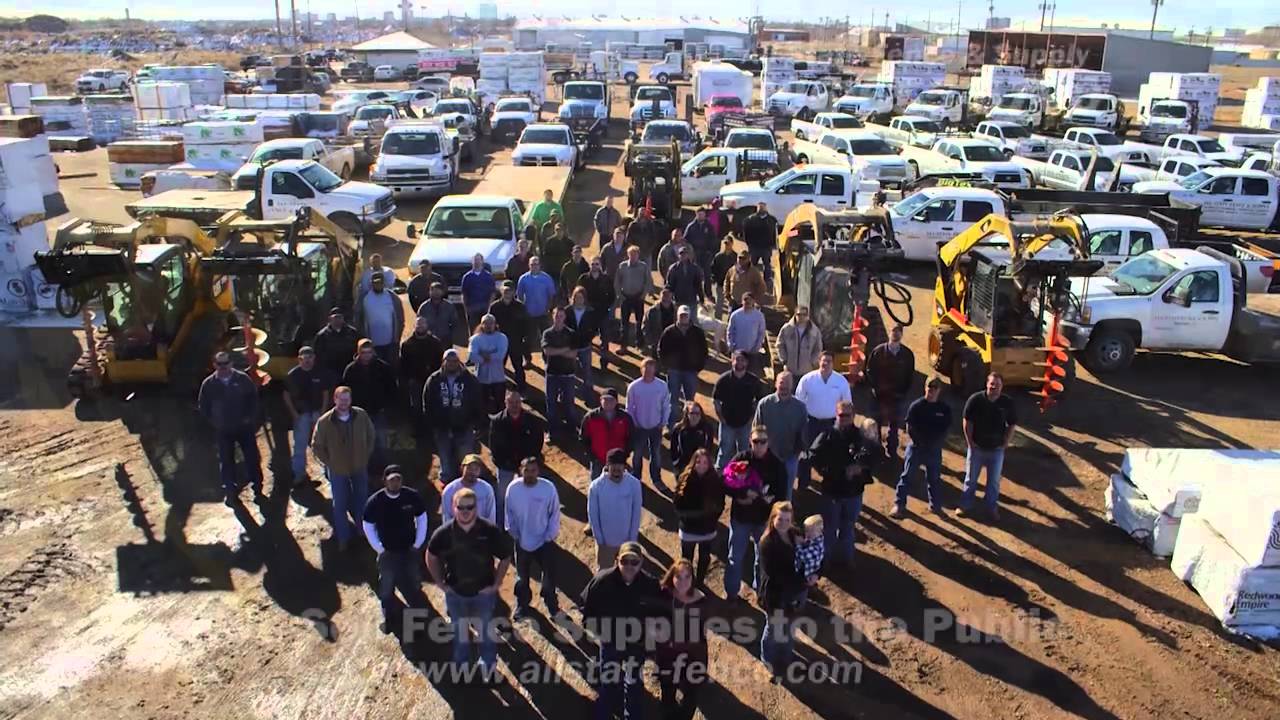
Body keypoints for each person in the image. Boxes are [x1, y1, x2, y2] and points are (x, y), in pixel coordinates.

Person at [426, 487, 513, 680]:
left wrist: (496, 584)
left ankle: (488, 667)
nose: (465, 511)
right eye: (461, 507)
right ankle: (462, 667)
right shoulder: (444, 533)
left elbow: (506, 557)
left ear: (476, 507)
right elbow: (431, 556)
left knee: (485, 633)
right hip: (455, 594)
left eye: (470, 507)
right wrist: (440, 583)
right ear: (453, 507)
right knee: (460, 634)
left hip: (483, 594)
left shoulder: (489, 530)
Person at [579, 541, 663, 720]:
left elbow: (659, 615)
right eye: (625, 561)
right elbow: (587, 610)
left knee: (633, 684)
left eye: (635, 562)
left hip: (636, 646)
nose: (629, 566)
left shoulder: (651, 585)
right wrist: (601, 633)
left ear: (641, 563)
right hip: (610, 643)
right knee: (608, 683)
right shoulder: (602, 581)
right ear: (617, 560)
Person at [810, 400, 877, 567]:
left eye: (848, 415)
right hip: (832, 491)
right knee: (829, 529)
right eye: (841, 415)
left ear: (853, 416)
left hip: (854, 492)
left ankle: (846, 561)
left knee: (848, 528)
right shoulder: (828, 434)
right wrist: (827, 472)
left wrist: (860, 468)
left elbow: (875, 458)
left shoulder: (861, 435)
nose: (844, 418)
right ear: (836, 415)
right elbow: (813, 455)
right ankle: (825, 562)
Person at [724, 425, 786, 603]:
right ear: (750, 441)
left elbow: (781, 495)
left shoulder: (777, 465)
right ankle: (731, 594)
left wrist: (768, 500)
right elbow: (725, 481)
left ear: (768, 442)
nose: (759, 445)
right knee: (735, 557)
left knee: (762, 558)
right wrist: (742, 494)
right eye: (756, 441)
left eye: (763, 441)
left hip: (763, 520)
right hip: (741, 518)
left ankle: (760, 591)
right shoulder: (741, 459)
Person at [362, 465, 428, 633]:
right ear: (384, 481)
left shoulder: (411, 496)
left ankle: (418, 618)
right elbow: (368, 525)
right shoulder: (375, 501)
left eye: (398, 479)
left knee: (414, 581)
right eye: (391, 480)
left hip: (409, 550)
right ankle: (389, 617)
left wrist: (418, 543)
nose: (395, 483)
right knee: (386, 585)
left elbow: (422, 518)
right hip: (388, 553)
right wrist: (379, 548)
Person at [311, 386, 375, 551]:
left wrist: (365, 455)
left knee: (362, 499)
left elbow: (371, 435)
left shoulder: (361, 415)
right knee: (339, 504)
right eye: (341, 399)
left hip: (359, 466)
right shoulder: (325, 421)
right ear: (335, 399)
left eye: (347, 399)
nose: (344, 403)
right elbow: (316, 446)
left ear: (351, 400)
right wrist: (329, 462)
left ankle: (363, 531)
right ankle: (343, 538)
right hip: (338, 470)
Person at [198, 351, 264, 505]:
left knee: (252, 458)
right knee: (226, 461)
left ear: (231, 363)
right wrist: (215, 422)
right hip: (224, 430)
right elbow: (203, 406)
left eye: (225, 363)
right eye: (219, 364)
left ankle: (257, 488)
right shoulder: (208, 384)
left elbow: (254, 400)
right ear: (214, 365)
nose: (223, 366)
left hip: (244, 428)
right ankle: (230, 491)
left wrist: (249, 418)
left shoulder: (243, 379)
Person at [505, 456, 561, 620]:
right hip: (522, 540)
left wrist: (549, 535)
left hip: (544, 541)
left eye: (533, 470)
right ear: (521, 470)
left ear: (538, 471)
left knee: (549, 575)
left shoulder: (548, 488)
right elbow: (509, 513)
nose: (529, 474)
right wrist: (514, 533)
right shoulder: (513, 488)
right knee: (522, 577)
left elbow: (554, 513)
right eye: (526, 470)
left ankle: (551, 603)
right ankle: (522, 605)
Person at [958, 373, 1017, 521]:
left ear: (1002, 387)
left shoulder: (1007, 403)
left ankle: (991, 509)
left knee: (993, 483)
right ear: (987, 384)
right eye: (992, 383)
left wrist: (1006, 442)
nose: (994, 387)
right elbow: (967, 421)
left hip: (996, 451)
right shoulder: (975, 400)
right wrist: (970, 442)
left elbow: (1012, 424)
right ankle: (965, 505)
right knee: (970, 480)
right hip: (977, 448)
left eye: (997, 384)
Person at [656, 559, 710, 720]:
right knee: (667, 690)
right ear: (672, 577)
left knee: (691, 694)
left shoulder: (700, 600)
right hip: (668, 653)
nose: (683, 581)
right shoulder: (664, 595)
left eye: (687, 577)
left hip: (693, 654)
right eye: (678, 577)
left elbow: (703, 631)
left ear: (693, 578)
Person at [758, 501, 805, 682]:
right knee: (773, 629)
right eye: (780, 519)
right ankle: (768, 660)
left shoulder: (795, 535)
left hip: (795, 591)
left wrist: (815, 573)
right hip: (775, 595)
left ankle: (786, 657)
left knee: (790, 626)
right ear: (773, 519)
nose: (784, 523)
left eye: (787, 519)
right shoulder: (767, 543)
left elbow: (812, 553)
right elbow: (775, 575)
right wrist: (801, 581)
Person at [893, 376, 952, 518]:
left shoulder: (944, 409)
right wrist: (918, 442)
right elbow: (909, 426)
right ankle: (899, 505)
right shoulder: (917, 406)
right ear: (925, 388)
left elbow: (945, 429)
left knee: (934, 479)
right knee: (907, 477)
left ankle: (935, 506)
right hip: (916, 448)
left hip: (934, 449)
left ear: (939, 390)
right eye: (929, 387)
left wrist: (937, 442)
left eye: (935, 388)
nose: (932, 390)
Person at [796, 352, 852, 493]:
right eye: (823, 360)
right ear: (819, 362)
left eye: (829, 361)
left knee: (831, 454)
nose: (825, 364)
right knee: (806, 453)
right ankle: (804, 483)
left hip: (832, 424)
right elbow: (799, 401)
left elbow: (847, 403)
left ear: (833, 363)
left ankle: (829, 483)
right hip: (811, 422)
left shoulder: (841, 382)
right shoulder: (807, 379)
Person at [424, 349, 483, 482]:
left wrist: (476, 423)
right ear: (443, 362)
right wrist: (432, 424)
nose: (452, 364)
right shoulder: (434, 379)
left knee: (465, 460)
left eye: (455, 361)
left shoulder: (469, 379)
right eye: (449, 361)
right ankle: (446, 484)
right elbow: (427, 403)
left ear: (459, 361)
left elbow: (477, 402)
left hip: (464, 426)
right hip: (442, 427)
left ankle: (468, 483)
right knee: (445, 459)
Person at [489, 390, 545, 522]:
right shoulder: (497, 421)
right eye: (511, 402)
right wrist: (503, 462)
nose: (514, 405)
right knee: (502, 497)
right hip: (505, 465)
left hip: (526, 466)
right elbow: (494, 446)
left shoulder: (532, 420)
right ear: (505, 403)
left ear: (521, 403)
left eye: (517, 402)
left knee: (528, 496)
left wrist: (530, 461)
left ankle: (527, 522)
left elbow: (538, 442)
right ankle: (500, 524)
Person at [342, 340, 397, 473]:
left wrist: (387, 407)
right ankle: (365, 469)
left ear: (373, 352)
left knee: (381, 441)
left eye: (369, 352)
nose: (366, 355)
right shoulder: (351, 370)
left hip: (379, 411)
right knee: (361, 442)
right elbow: (345, 391)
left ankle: (383, 470)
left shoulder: (383, 368)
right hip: (358, 413)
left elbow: (392, 389)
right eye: (363, 352)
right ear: (358, 353)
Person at [753, 372, 809, 501]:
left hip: (790, 456)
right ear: (775, 384)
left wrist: (798, 451)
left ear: (792, 385)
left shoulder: (800, 408)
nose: (784, 387)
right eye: (781, 383)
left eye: (787, 383)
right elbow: (756, 429)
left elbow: (803, 434)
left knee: (786, 490)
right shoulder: (764, 404)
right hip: (767, 456)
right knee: (764, 489)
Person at [673, 449, 724, 584]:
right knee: (686, 559)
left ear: (710, 464)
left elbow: (720, 505)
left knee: (705, 558)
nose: (701, 465)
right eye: (698, 462)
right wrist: (691, 517)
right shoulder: (684, 479)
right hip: (688, 529)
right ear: (693, 463)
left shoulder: (715, 481)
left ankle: (700, 582)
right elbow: (677, 505)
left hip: (707, 529)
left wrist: (711, 519)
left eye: (705, 462)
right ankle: (687, 583)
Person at [866, 324, 916, 459]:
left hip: (897, 397)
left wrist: (903, 392)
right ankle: (877, 450)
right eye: (893, 331)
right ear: (889, 333)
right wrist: (876, 388)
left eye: (898, 332)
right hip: (879, 397)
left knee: (894, 426)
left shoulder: (907, 355)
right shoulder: (878, 352)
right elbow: (870, 371)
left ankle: (892, 450)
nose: (896, 334)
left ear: (902, 335)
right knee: (876, 424)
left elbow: (910, 376)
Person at [587, 448, 643, 569]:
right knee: (605, 575)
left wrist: (632, 540)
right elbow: (593, 516)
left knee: (626, 574)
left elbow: (636, 513)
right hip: (605, 545)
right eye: (613, 468)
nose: (617, 471)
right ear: (608, 466)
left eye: (620, 468)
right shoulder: (596, 487)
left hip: (626, 545)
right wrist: (600, 541)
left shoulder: (634, 485)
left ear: (624, 467)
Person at [283, 345, 331, 485]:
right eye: (305, 358)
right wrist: (293, 413)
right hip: (301, 414)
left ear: (314, 358)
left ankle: (329, 471)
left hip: (317, 412)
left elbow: (325, 393)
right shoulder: (293, 375)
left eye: (310, 357)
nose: (308, 360)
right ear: (299, 359)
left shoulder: (320, 372)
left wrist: (323, 412)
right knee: (300, 446)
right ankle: (299, 475)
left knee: (323, 443)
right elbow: (286, 395)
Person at [657, 305, 709, 428]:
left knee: (690, 401)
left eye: (686, 315)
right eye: (681, 315)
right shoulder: (669, 331)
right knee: (673, 400)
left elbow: (704, 351)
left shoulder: (697, 332)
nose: (683, 317)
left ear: (689, 316)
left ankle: (688, 426)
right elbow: (661, 349)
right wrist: (666, 366)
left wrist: (698, 367)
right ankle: (671, 426)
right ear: (677, 316)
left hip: (691, 371)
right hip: (674, 371)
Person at [713, 350, 763, 469]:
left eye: (742, 360)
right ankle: (720, 476)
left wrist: (752, 419)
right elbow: (716, 400)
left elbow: (759, 401)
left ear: (747, 362)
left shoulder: (753, 381)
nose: (739, 362)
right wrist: (721, 417)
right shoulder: (723, 380)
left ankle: (743, 477)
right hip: (727, 423)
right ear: (732, 360)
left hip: (746, 424)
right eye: (737, 359)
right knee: (724, 452)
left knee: (744, 453)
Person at [627, 357, 670, 489]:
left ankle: (656, 479)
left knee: (656, 454)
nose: (648, 372)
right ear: (641, 370)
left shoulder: (662, 386)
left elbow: (666, 406)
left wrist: (663, 423)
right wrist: (634, 423)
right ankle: (636, 478)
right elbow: (629, 408)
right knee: (637, 454)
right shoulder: (634, 387)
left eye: (651, 370)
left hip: (656, 427)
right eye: (646, 370)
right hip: (639, 427)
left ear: (655, 370)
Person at [399, 316, 443, 439]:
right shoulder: (407, 345)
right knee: (416, 407)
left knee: (433, 405)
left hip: (433, 380)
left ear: (427, 326)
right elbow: (403, 365)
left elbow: (440, 362)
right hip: (415, 381)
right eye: (418, 324)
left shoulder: (435, 343)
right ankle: (418, 432)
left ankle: (433, 431)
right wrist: (406, 380)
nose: (420, 326)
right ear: (414, 327)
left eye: (423, 324)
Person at [580, 388, 634, 481]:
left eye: (611, 400)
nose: (608, 402)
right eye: (605, 399)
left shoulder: (625, 418)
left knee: (619, 484)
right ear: (600, 400)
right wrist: (592, 457)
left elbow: (631, 438)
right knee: (597, 485)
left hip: (618, 461)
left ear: (616, 402)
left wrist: (624, 455)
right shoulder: (590, 417)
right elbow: (583, 438)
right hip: (597, 460)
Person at [541, 305, 578, 435]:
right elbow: (547, 351)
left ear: (565, 317)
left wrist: (556, 351)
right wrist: (565, 349)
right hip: (552, 374)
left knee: (569, 404)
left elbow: (573, 354)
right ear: (553, 316)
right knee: (551, 404)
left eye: (561, 316)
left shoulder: (571, 333)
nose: (558, 318)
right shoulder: (547, 333)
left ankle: (572, 430)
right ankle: (552, 431)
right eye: (556, 315)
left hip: (568, 374)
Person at [489, 281, 531, 391]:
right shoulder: (494, 306)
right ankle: (496, 388)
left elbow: (526, 324)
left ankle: (522, 389)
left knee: (518, 366)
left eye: (510, 290)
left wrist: (525, 337)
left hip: (515, 341)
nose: (507, 292)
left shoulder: (520, 306)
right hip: (499, 342)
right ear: (501, 291)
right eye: (505, 290)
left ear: (514, 292)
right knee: (498, 366)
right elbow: (490, 323)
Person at [577, 257, 617, 370]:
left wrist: (606, 307)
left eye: (597, 264)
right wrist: (586, 306)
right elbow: (579, 294)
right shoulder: (583, 279)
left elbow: (612, 295)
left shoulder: (606, 279)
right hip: (588, 314)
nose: (594, 266)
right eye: (593, 264)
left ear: (600, 265)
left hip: (602, 313)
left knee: (605, 339)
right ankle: (586, 364)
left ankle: (604, 363)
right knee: (586, 340)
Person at [467, 314, 509, 415]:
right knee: (482, 406)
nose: (488, 325)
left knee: (499, 406)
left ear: (495, 324)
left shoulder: (502, 337)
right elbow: (472, 356)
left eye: (491, 323)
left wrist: (482, 354)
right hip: (481, 379)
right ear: (481, 325)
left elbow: (500, 356)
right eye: (485, 323)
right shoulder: (475, 339)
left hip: (498, 378)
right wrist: (492, 354)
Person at [359, 272, 405, 366]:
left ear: (384, 283)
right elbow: (358, 319)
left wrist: (397, 337)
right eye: (375, 282)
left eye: (380, 282)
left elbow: (400, 319)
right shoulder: (364, 299)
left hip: (391, 344)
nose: (378, 285)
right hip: (372, 346)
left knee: (391, 369)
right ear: (371, 283)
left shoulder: (393, 297)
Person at [565, 286, 600, 403]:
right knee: (570, 370)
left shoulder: (591, 312)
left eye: (581, 297)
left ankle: (588, 393)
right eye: (576, 297)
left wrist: (588, 338)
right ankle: (568, 394)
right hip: (571, 347)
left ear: (585, 298)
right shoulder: (567, 311)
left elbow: (594, 329)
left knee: (587, 371)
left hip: (585, 346)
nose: (579, 300)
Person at [615, 245, 653, 351]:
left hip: (638, 297)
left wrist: (643, 295)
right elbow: (617, 282)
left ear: (638, 255)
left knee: (639, 322)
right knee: (624, 323)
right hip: (625, 297)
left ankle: (640, 344)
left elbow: (648, 281)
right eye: (631, 254)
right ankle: (623, 346)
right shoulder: (622, 266)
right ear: (628, 255)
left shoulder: (643, 266)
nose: (633, 257)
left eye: (635, 255)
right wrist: (620, 295)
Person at [441, 454, 497, 525]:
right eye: (469, 468)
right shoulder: (449, 490)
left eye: (476, 469)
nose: (472, 472)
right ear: (462, 468)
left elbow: (491, 516)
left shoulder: (487, 489)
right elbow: (446, 517)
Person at [312, 307, 359, 381]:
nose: (337, 320)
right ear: (330, 319)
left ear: (343, 318)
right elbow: (317, 355)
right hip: (330, 371)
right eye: (335, 317)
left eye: (340, 317)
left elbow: (358, 350)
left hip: (349, 370)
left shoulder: (352, 332)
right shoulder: (322, 335)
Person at [669, 401, 716, 472]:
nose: (695, 416)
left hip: (700, 465)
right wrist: (676, 463)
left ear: (701, 415)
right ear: (686, 414)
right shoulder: (678, 429)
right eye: (692, 413)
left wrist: (705, 463)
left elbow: (709, 446)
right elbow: (673, 447)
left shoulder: (707, 428)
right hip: (683, 465)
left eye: (697, 414)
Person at [727, 293, 767, 374]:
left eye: (750, 299)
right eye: (745, 299)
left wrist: (757, 347)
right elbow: (730, 332)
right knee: (736, 373)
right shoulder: (735, 315)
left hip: (752, 352)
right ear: (742, 301)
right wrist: (731, 345)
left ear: (754, 301)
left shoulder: (759, 316)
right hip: (738, 351)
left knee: (751, 374)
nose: (747, 301)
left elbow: (761, 333)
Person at [776, 306, 822, 378]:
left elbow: (818, 348)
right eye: (799, 314)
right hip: (790, 370)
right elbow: (780, 345)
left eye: (804, 315)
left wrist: (813, 362)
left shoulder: (814, 331)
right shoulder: (787, 329)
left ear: (808, 316)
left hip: (806, 371)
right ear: (795, 315)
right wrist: (784, 360)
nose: (802, 317)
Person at [517, 256, 558, 337]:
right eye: (532, 264)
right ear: (529, 265)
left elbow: (551, 295)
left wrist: (548, 309)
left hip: (544, 314)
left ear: (539, 265)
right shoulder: (523, 279)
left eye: (536, 264)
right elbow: (519, 296)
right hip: (529, 315)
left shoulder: (547, 278)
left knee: (546, 336)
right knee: (531, 337)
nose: (534, 266)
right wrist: (524, 310)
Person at [742, 201, 779, 287]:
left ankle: (767, 282)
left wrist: (773, 244)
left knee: (767, 265)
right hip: (754, 247)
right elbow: (746, 233)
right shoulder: (750, 220)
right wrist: (749, 244)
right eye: (760, 207)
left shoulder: (772, 220)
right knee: (752, 265)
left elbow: (775, 234)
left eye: (763, 207)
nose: (761, 209)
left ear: (766, 208)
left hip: (766, 247)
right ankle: (750, 280)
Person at [460, 253, 496, 333]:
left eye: (478, 260)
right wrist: (466, 308)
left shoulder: (488, 276)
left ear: (482, 261)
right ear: (472, 262)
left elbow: (492, 293)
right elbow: (464, 294)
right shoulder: (467, 277)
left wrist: (489, 307)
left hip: (485, 308)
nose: (477, 262)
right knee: (473, 330)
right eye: (475, 260)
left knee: (485, 330)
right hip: (472, 308)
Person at [684, 207, 717, 295]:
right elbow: (685, 240)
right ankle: (695, 292)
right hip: (694, 254)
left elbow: (713, 239)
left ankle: (708, 293)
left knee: (707, 274)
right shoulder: (691, 226)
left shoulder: (709, 226)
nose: (701, 216)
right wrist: (689, 252)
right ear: (696, 215)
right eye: (699, 214)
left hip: (706, 254)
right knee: (695, 274)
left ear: (705, 215)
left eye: (702, 214)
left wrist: (710, 251)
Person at [794, 515, 825, 605]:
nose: (808, 533)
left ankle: (798, 604)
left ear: (820, 531)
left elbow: (803, 555)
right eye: (807, 530)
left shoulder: (817, 546)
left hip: (807, 574)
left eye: (812, 531)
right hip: (807, 570)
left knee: (800, 590)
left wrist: (797, 544)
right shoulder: (814, 539)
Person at [665, 245, 705, 313]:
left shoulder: (695, 269)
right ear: (678, 255)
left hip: (691, 300)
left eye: (685, 254)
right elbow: (669, 285)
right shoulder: (673, 268)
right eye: (681, 254)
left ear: (688, 255)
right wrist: (668, 298)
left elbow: (698, 285)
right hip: (678, 300)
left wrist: (701, 299)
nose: (683, 255)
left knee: (692, 318)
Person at [417, 282, 459, 347]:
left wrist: (450, 335)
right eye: (434, 291)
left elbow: (455, 323)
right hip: (428, 340)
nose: (436, 293)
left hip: (445, 340)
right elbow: (419, 323)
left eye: (438, 291)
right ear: (430, 292)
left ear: (442, 292)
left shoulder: (449, 306)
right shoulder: (424, 307)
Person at [643, 287, 677, 361]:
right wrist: (650, 341)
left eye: (668, 299)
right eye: (664, 299)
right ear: (660, 298)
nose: (666, 301)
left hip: (672, 342)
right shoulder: (652, 311)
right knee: (656, 362)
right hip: (657, 342)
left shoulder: (676, 311)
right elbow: (646, 326)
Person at [542, 223, 575, 294]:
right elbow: (545, 257)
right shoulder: (549, 242)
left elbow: (573, 256)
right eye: (557, 230)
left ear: (563, 231)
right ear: (554, 230)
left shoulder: (569, 242)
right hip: (554, 272)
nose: (559, 232)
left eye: (561, 230)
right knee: (555, 292)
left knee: (567, 291)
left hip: (566, 272)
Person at [710, 237, 738, 318]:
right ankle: (718, 320)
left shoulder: (735, 256)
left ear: (732, 244)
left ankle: (731, 320)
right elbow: (713, 269)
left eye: (728, 243)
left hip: (732, 284)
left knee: (731, 303)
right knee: (719, 302)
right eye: (725, 243)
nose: (727, 245)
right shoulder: (718, 256)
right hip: (720, 283)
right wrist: (715, 278)